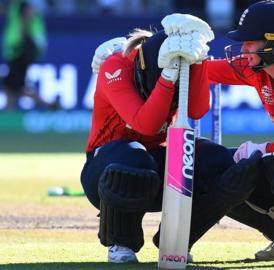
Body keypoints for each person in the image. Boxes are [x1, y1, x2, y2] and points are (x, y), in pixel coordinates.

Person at [91, 2, 274, 265]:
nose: (244, 48)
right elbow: (197, 69)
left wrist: (262, 149)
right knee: (232, 173)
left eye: (251, 42)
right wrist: (129, 57)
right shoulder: (257, 71)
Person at [83, 14, 263, 264]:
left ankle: (177, 239)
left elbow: (197, 110)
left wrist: (197, 63)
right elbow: (147, 124)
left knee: (223, 163)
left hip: (159, 167)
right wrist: (168, 78)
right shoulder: (115, 66)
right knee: (133, 158)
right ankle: (120, 241)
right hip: (106, 171)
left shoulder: (185, 62)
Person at [2, 0, 48, 110]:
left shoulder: (25, 3)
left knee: (12, 83)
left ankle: (9, 110)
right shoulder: (15, 4)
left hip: (21, 50)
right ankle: (9, 110)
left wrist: (22, 37)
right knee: (14, 84)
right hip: (16, 50)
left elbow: (28, 14)